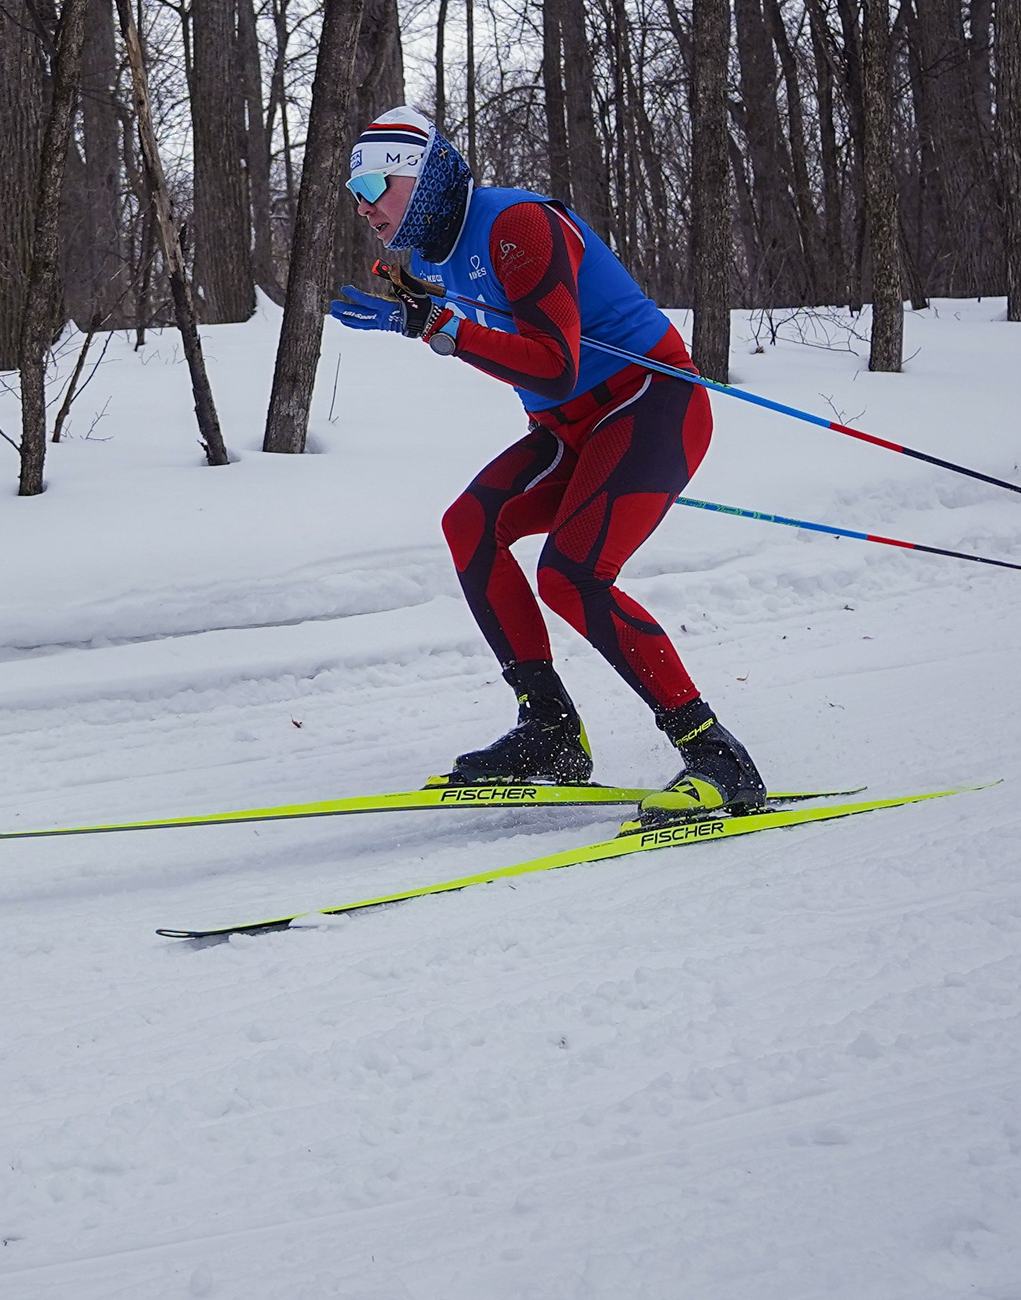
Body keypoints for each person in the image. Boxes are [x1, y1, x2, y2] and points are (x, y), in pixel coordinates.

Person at [327, 107, 766, 822]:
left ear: (423, 175)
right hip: (569, 426)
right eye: (354, 191)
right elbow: (506, 344)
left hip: (648, 402)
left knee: (571, 574)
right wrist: (430, 316)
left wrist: (442, 329)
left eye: (374, 184)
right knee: (471, 525)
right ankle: (550, 729)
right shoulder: (435, 256)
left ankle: (717, 754)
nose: (362, 203)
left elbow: (556, 365)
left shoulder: (517, 225)